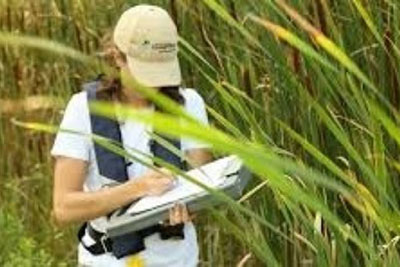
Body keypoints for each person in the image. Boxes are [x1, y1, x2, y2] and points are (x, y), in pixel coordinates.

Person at [51, 5, 212, 267]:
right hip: (106, 260)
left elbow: (202, 194)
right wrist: (137, 189)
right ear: (117, 57)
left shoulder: (189, 103)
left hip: (177, 259)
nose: (153, 83)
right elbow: (63, 208)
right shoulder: (82, 109)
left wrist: (190, 208)